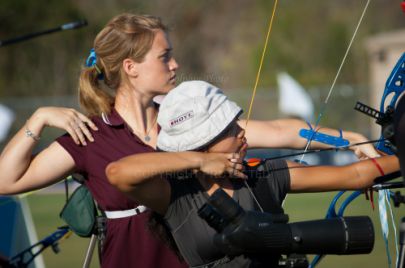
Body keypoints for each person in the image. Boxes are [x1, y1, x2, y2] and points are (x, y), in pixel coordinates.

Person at [0, 13, 378, 267]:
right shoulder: (91, 136)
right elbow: (6, 181)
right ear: (130, 68)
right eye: (164, 57)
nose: (175, 65)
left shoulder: (186, 119)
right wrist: (39, 118)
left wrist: (350, 138)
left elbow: (279, 131)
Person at [106, 80, 400, 267]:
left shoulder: (262, 175)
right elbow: (119, 172)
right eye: (231, 129)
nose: (243, 131)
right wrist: (200, 162)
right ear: (203, 142)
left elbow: (355, 176)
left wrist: (364, 145)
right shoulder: (176, 195)